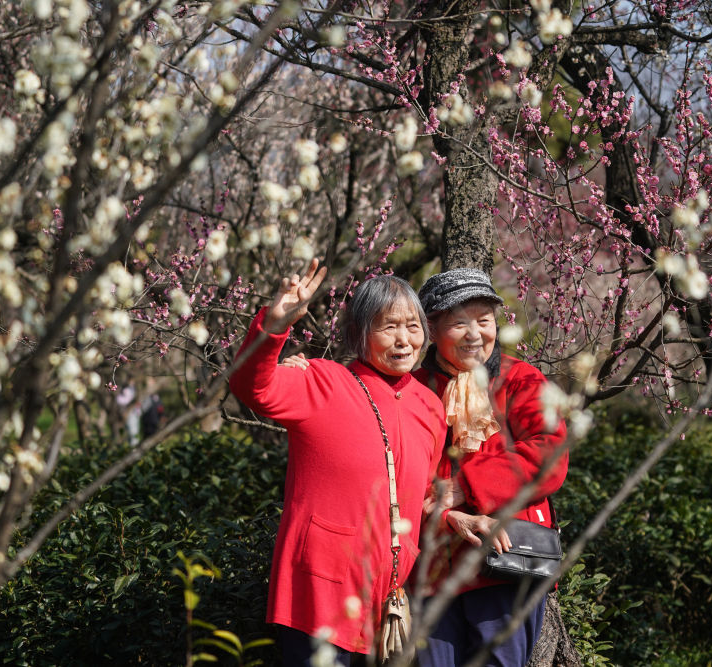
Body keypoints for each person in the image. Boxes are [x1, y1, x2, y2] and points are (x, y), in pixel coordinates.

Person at [229, 259, 447, 665]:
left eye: (413, 327)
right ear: (359, 335)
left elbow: (425, 495)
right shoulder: (322, 380)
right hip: (319, 596)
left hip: (388, 600)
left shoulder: (431, 407)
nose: (404, 340)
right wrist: (275, 326)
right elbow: (251, 386)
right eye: (388, 327)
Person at [413, 267, 569, 667]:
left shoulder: (521, 379)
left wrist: (468, 486)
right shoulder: (413, 387)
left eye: (484, 321)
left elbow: (550, 451)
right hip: (431, 565)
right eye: (458, 323)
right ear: (431, 327)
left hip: (502, 562)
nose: (474, 334)